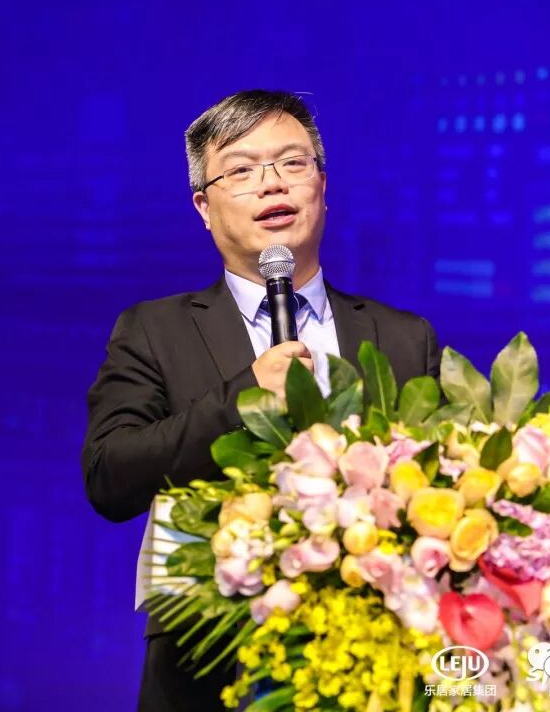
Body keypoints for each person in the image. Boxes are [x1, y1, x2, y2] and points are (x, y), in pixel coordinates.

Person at [82, 90, 441, 711]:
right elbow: (109, 476)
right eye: (242, 170)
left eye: (292, 163)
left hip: (384, 662)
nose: (272, 183)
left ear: (322, 186)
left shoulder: (404, 337)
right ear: (204, 206)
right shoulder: (154, 331)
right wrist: (244, 397)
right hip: (210, 666)